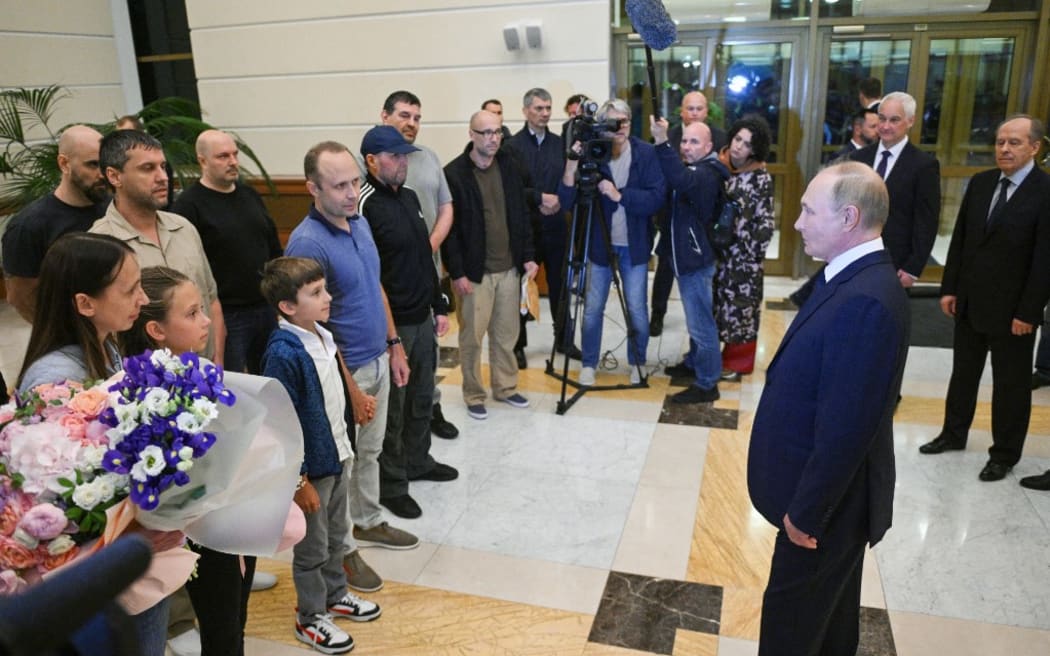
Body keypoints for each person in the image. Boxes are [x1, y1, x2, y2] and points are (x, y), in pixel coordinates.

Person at [748, 161, 909, 656]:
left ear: (848, 218)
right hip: (821, 507)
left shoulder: (867, 301)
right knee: (828, 625)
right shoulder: (850, 278)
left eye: (807, 210)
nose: (795, 223)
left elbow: (847, 428)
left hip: (820, 515)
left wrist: (807, 514)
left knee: (791, 633)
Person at [16, 232, 182, 656]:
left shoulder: (108, 346)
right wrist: (136, 531)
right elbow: (61, 504)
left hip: (128, 554)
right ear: (85, 303)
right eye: (129, 290)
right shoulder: (54, 379)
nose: (142, 299)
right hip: (94, 569)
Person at [284, 141, 419, 580]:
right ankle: (342, 550)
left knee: (371, 450)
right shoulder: (307, 243)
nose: (349, 192)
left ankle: (369, 520)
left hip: (377, 355)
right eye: (338, 185)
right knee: (340, 466)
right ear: (312, 188)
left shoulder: (358, 221)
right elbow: (314, 329)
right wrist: (352, 387)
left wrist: (394, 343)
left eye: (354, 182)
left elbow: (373, 286)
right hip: (343, 371)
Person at [118, 266, 251, 656]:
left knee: (232, 618)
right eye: (192, 314)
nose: (207, 321)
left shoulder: (203, 371)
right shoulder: (137, 392)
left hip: (225, 518)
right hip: (190, 526)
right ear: (156, 330)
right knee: (221, 626)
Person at [918, 116, 1050, 484]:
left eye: (1015, 143)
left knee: (1011, 386)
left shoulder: (1044, 191)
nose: (1004, 149)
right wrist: (949, 288)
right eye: (1000, 141)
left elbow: (1044, 260)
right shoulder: (981, 183)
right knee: (963, 375)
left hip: (1014, 313)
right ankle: (952, 433)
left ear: (1035, 148)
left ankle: (1004, 454)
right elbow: (960, 240)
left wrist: (1028, 311)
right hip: (971, 303)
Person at [260, 257, 382, 655]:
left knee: (334, 536)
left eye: (324, 289)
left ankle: (335, 595)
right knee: (312, 547)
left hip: (337, 452)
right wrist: (298, 480)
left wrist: (357, 402)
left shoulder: (322, 336)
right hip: (312, 469)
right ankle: (310, 616)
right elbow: (279, 422)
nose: (328, 297)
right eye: (315, 293)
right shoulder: (283, 352)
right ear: (287, 307)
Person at [358, 125, 456, 521]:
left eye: (405, 156)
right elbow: (372, 277)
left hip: (422, 319)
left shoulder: (411, 197)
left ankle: (419, 461)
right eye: (394, 157)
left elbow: (423, 259)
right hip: (392, 328)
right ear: (371, 160)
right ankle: (393, 484)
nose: (403, 163)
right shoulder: (364, 205)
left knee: (420, 399)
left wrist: (440, 305)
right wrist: (392, 337)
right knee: (393, 411)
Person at [88, 129, 226, 362]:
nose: (163, 177)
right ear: (114, 176)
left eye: (163, 166)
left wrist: (217, 364)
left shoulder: (184, 227)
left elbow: (211, 300)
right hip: (143, 386)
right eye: (147, 168)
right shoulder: (100, 245)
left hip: (202, 370)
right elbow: (98, 332)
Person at [559, 99, 665, 387]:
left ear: (631, 123)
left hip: (635, 246)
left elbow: (657, 197)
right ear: (604, 125)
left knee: (637, 310)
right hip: (598, 244)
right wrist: (571, 164)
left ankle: (638, 362)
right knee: (592, 308)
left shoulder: (645, 152)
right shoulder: (595, 152)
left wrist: (621, 196)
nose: (620, 128)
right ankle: (590, 363)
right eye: (613, 123)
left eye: (625, 122)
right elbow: (567, 200)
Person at [442, 110, 538, 420]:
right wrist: (456, 273)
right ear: (471, 134)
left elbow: (521, 215)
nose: (493, 138)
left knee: (506, 334)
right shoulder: (454, 174)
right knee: (472, 338)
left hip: (509, 269)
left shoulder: (509, 166)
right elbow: (450, 231)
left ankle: (506, 387)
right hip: (475, 273)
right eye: (485, 133)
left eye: (497, 132)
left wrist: (528, 256)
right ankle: (473, 394)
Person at [379, 90, 459, 441]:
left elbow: (446, 206)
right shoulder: (372, 159)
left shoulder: (429, 157)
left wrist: (429, 245)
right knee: (399, 344)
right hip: (393, 276)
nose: (411, 123)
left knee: (430, 342)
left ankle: (431, 408)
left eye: (416, 117)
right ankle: (399, 422)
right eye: (404, 115)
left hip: (428, 267)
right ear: (385, 116)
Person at [171, 129, 283, 376]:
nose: (232, 162)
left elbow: (273, 247)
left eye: (234, 155)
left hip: (265, 307)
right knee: (233, 382)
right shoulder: (188, 206)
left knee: (273, 379)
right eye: (223, 156)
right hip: (227, 314)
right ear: (202, 161)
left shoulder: (250, 195)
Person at [650, 116, 726, 403]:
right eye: (683, 140)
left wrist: (660, 142)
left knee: (701, 323)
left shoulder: (707, 172)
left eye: (694, 141)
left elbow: (681, 181)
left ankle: (707, 384)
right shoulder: (698, 167)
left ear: (709, 145)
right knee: (696, 318)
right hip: (687, 256)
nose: (686, 146)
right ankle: (694, 364)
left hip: (696, 260)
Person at [505, 87, 581, 365]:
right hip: (526, 229)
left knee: (561, 286)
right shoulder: (511, 147)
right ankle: (518, 344)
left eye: (548, 108)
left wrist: (559, 198)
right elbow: (511, 189)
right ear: (526, 111)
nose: (545, 113)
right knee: (523, 286)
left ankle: (564, 339)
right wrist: (538, 198)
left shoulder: (559, 144)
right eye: (539, 108)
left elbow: (567, 177)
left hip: (556, 225)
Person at [2, 125, 108, 322]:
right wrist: (62, 335)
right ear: (64, 164)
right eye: (92, 165)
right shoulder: (29, 225)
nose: (102, 173)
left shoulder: (114, 209)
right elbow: (21, 296)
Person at [651, 91, 726, 336]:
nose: (694, 113)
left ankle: (703, 352)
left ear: (707, 112)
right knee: (664, 271)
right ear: (681, 112)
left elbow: (702, 178)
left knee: (698, 295)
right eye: (689, 108)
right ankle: (657, 316)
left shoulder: (718, 138)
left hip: (699, 225)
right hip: (670, 217)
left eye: (699, 108)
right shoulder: (669, 135)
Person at [850, 92, 941, 288]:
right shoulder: (859, 158)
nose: (885, 126)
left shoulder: (924, 165)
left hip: (895, 262)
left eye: (894, 120)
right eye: (882, 119)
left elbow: (926, 221)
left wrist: (913, 268)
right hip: (855, 257)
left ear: (910, 121)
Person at [714, 116, 776, 381]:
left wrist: (747, 252)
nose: (739, 147)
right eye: (737, 139)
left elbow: (765, 222)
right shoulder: (719, 166)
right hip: (719, 254)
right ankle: (712, 355)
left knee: (741, 311)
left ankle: (737, 363)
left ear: (756, 149)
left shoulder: (760, 178)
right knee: (719, 307)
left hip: (744, 258)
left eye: (747, 144)